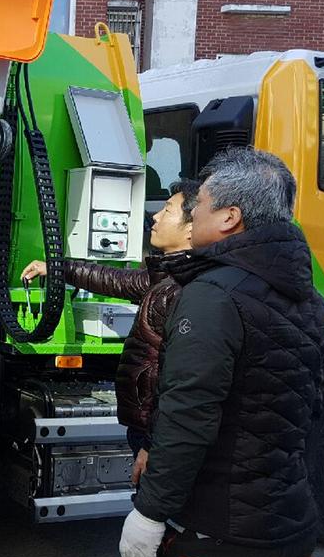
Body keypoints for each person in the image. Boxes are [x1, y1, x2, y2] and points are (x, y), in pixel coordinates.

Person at [119, 147, 324, 557]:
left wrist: (150, 512)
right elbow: (304, 410)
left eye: (200, 209)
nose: (191, 219)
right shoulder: (310, 299)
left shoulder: (214, 294)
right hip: (287, 527)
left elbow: (188, 415)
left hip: (218, 537)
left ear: (230, 217)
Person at [21, 179, 201, 482]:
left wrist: (151, 444)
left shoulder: (182, 288)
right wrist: (58, 268)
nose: (154, 216)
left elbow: (177, 379)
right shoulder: (165, 277)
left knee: (155, 511)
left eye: (168, 210)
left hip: (154, 433)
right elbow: (113, 279)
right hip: (146, 427)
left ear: (191, 228)